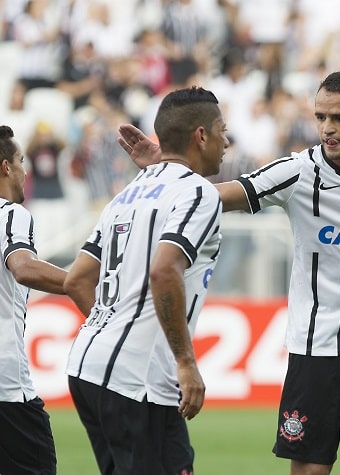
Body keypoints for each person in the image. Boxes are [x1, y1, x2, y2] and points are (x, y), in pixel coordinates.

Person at [118, 70, 340, 475]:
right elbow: (219, 197)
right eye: (321, 117)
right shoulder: (299, 172)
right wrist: (163, 168)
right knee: (311, 470)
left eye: (338, 118)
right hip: (317, 348)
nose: (327, 128)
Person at [63, 86, 227, 474]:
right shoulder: (199, 192)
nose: (227, 140)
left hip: (89, 366)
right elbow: (163, 269)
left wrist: (115, 331)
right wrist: (186, 362)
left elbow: (76, 281)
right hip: (140, 380)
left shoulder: (128, 193)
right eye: (222, 129)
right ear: (201, 136)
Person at [0, 124, 67, 475]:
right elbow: (23, 268)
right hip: (6, 388)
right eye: (21, 161)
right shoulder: (10, 214)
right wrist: (79, 282)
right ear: (5, 167)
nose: (26, 171)